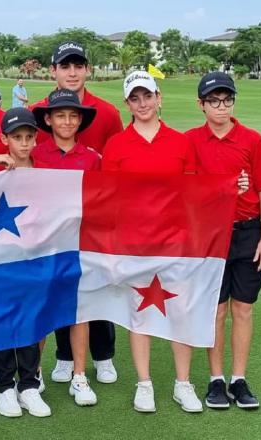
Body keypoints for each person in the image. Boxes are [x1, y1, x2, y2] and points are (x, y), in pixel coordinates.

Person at [102, 71, 203, 414]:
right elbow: (110, 200)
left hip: (175, 244)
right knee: (140, 313)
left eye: (148, 96)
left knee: (182, 312)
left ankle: (182, 384)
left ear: (160, 98)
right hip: (134, 244)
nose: (142, 104)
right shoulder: (116, 145)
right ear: (127, 103)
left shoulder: (181, 142)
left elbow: (193, 195)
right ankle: (144, 384)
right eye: (135, 98)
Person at [30, 40, 122, 385]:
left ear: (87, 70)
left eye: (78, 65)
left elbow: (114, 166)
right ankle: (64, 356)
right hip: (52, 228)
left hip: (90, 222)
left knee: (95, 288)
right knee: (57, 292)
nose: (72, 72)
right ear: (53, 71)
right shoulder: (40, 111)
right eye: (65, 66)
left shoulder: (108, 113)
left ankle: (103, 355)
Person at [185, 71, 261, 411]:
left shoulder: (251, 139)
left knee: (244, 308)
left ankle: (239, 378)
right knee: (216, 309)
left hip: (248, 231)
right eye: (214, 101)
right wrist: (219, 188)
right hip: (210, 233)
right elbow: (188, 191)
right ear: (201, 105)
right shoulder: (191, 141)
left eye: (227, 100)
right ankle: (216, 379)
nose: (221, 107)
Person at [0, 108, 52, 418]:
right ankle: (4, 386)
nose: (23, 144)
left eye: (28, 137)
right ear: (4, 139)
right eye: (16, 137)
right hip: (1, 260)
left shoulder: (45, 172)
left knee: (31, 321)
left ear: (36, 138)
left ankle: (29, 384)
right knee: (5, 320)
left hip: (34, 260)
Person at [31, 89, 101, 406]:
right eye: (60, 115)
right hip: (43, 247)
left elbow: (103, 203)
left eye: (74, 116)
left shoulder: (92, 158)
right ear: (48, 119)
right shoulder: (35, 154)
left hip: (78, 245)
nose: (67, 121)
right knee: (42, 310)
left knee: (79, 311)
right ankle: (34, 373)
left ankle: (80, 376)